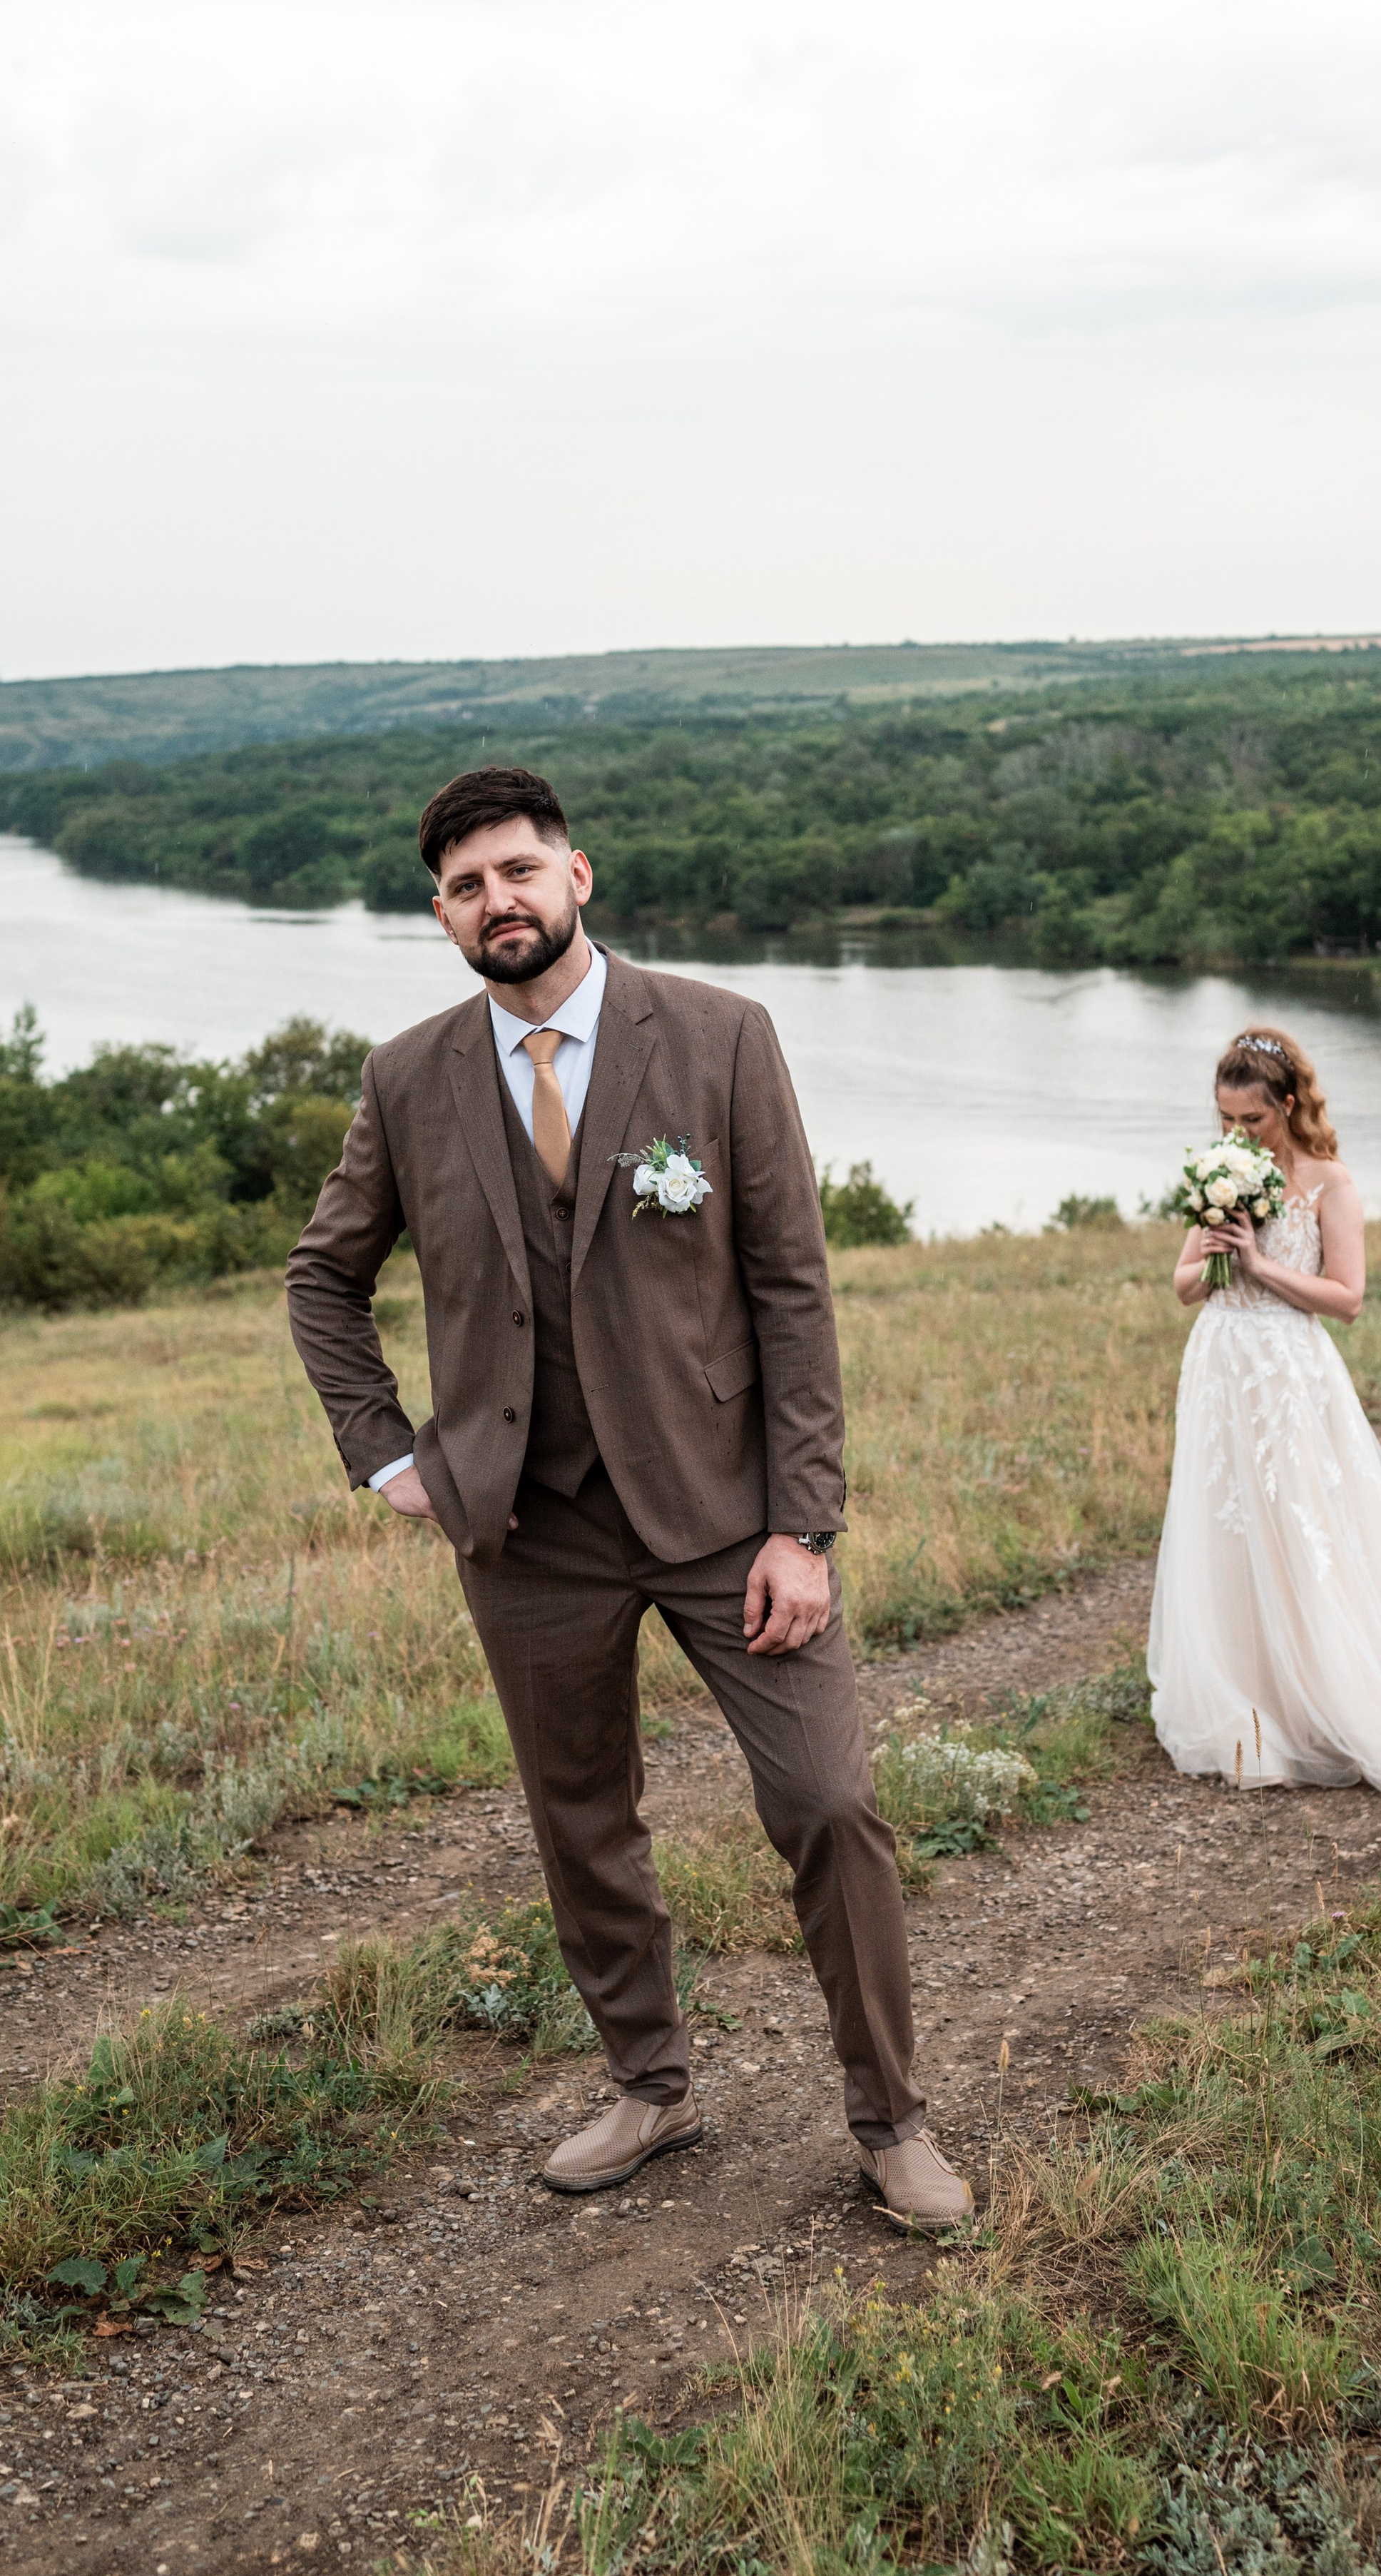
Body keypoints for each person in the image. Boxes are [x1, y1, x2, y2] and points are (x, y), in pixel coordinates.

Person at [285, 764, 970, 2228]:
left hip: (727, 1512)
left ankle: (890, 2116)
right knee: (580, 1817)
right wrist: (389, 1450)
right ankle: (649, 2084)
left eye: (520, 871)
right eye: (468, 887)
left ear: (577, 875)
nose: (499, 902)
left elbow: (790, 1286)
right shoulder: (407, 1078)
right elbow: (321, 1278)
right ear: (443, 915)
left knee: (831, 1803)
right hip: (525, 1526)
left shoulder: (720, 1036)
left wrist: (803, 1524)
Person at [1146, 1028, 1381, 1798]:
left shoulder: (1331, 1182)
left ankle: (1328, 1696)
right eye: (1224, 1119)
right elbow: (1184, 1282)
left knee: (1300, 1523)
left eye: (1250, 1120)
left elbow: (1347, 1299)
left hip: (1290, 1369)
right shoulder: (1222, 1173)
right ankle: (1248, 1700)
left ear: (1286, 1105)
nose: (1235, 1134)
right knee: (1225, 1523)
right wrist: (1217, 1257)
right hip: (1222, 1364)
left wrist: (1259, 1263)